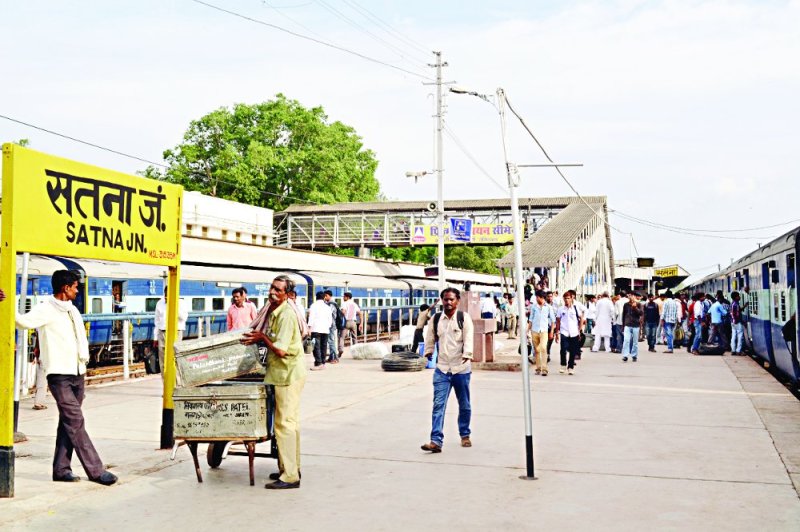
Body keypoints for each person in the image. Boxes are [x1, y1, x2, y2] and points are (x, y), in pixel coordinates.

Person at [14, 270, 117, 485]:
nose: (77, 290)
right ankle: (96, 471)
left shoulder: (73, 310)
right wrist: (5, 306)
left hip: (78, 372)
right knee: (75, 420)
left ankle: (61, 469)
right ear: (65, 288)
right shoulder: (46, 309)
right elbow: (22, 322)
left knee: (67, 422)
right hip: (59, 375)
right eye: (75, 286)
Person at [242, 275, 306, 489]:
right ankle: (290, 467)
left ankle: (289, 476)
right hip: (286, 373)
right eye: (272, 288)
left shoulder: (286, 315)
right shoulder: (276, 311)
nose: (273, 292)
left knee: (284, 425)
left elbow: (281, 349)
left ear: (288, 294)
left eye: (279, 290)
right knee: (291, 423)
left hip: (287, 374)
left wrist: (261, 338)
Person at [421, 288, 474, 453]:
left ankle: (464, 434)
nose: (448, 302)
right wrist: (428, 351)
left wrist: (468, 354)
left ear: (457, 301)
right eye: (445, 299)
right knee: (438, 405)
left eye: (451, 299)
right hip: (442, 369)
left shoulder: (463, 318)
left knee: (464, 405)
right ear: (442, 300)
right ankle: (435, 440)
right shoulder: (436, 319)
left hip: (461, 369)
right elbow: (430, 337)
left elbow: (469, 338)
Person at [154, 286, 189, 379]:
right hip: (162, 332)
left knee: (175, 358)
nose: (166, 297)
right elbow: (156, 321)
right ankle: (165, 386)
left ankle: (176, 384)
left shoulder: (181, 303)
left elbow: (184, 318)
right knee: (163, 361)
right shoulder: (159, 303)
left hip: (176, 332)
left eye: (169, 295)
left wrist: (173, 304)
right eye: (165, 294)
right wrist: (155, 337)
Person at [555, 291, 584, 375]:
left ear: (572, 298)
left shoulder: (575, 308)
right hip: (564, 331)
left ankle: (570, 367)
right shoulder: (561, 309)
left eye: (568, 298)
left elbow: (581, 318)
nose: (567, 300)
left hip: (574, 332)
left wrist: (579, 329)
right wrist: (557, 332)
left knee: (572, 351)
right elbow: (558, 320)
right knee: (563, 349)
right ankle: (563, 364)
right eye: (565, 299)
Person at [528, 290, 554, 376]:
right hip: (534, 330)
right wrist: (527, 330)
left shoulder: (548, 307)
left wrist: (552, 332)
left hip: (544, 331)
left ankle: (544, 369)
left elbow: (553, 321)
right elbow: (531, 319)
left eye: (537, 297)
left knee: (543, 348)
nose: (536, 299)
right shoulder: (534, 307)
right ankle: (538, 368)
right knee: (536, 350)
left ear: (541, 297)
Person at [307, 291, 332, 370]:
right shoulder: (327, 307)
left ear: (316, 297)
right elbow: (330, 320)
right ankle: (323, 363)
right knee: (323, 347)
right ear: (324, 297)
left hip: (316, 329)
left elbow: (311, 318)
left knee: (316, 347)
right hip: (325, 329)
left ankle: (318, 363)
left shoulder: (313, 306)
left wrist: (309, 328)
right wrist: (328, 326)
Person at [621, 292, 643, 362]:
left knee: (635, 342)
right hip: (627, 325)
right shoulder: (626, 305)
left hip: (636, 325)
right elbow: (624, 315)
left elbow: (641, 313)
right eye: (629, 295)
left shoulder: (639, 304)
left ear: (635, 297)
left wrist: (635, 307)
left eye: (632, 295)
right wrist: (623, 325)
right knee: (626, 340)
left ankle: (634, 355)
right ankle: (625, 355)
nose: (631, 297)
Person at [323, 290, 343, 364]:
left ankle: (335, 358)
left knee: (331, 341)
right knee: (330, 341)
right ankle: (331, 357)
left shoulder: (331, 304)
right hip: (330, 324)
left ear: (329, 295)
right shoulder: (329, 303)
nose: (324, 297)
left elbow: (328, 313)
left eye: (325, 296)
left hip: (331, 324)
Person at [730, 291, 745, 356]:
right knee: (740, 336)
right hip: (737, 322)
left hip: (733, 322)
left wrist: (744, 306)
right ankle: (738, 350)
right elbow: (736, 314)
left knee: (733, 336)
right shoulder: (735, 304)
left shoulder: (733, 303)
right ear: (736, 297)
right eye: (738, 296)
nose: (739, 297)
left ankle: (733, 350)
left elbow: (737, 311)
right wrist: (740, 321)